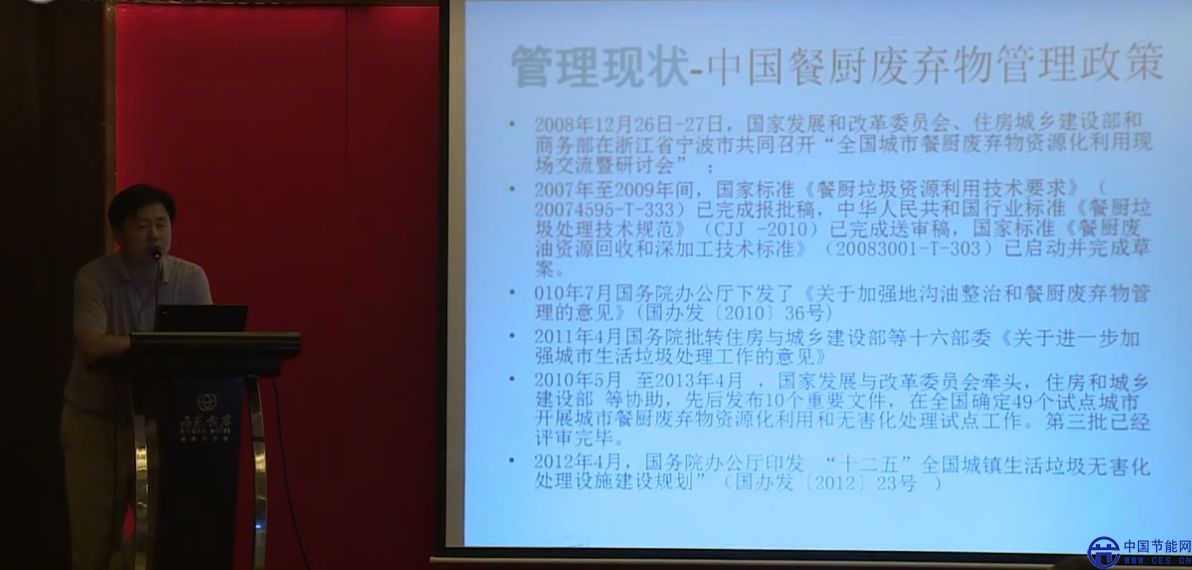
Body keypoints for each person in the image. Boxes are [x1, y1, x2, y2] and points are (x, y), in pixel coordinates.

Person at [61, 184, 211, 570]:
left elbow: (205, 347)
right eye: (142, 226)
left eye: (162, 224)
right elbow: (92, 343)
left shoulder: (191, 279)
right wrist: (151, 346)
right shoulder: (93, 278)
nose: (154, 235)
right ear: (119, 234)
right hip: (96, 424)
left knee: (163, 537)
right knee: (92, 543)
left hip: (161, 425)